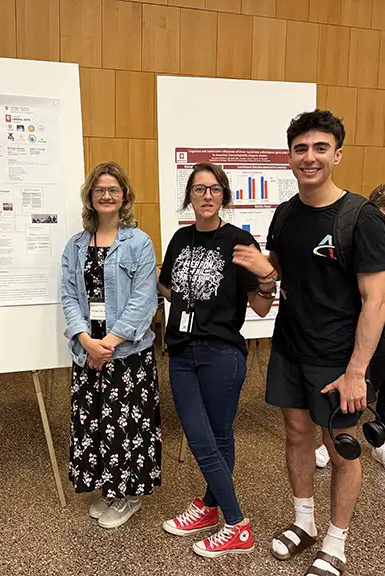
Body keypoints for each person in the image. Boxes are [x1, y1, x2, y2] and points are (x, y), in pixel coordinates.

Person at [263, 110, 385, 576]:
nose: (310, 157)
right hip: (289, 348)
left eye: (320, 148)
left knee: (341, 447)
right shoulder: (285, 212)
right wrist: (257, 280)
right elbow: (277, 272)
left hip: (338, 357)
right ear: (290, 156)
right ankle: (304, 524)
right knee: (296, 435)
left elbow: (374, 301)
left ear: (337, 154)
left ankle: (336, 542)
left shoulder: (361, 217)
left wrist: (357, 370)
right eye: (301, 148)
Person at [158, 163, 276, 558]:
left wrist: (267, 277)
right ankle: (210, 509)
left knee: (210, 438)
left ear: (223, 195)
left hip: (221, 354)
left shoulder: (239, 243)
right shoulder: (180, 239)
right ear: (189, 196)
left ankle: (237, 524)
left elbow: (260, 307)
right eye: (198, 189)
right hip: (180, 352)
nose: (206, 196)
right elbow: (170, 288)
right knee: (208, 437)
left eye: (214, 189)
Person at [61, 161, 160, 529]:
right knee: (96, 424)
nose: (106, 195)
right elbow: (69, 296)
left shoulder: (139, 242)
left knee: (126, 426)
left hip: (127, 354)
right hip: (88, 353)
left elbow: (143, 299)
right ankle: (109, 488)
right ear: (90, 196)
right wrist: (86, 340)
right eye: (99, 190)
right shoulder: (75, 246)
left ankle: (129, 494)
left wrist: (109, 343)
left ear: (124, 197)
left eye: (113, 190)